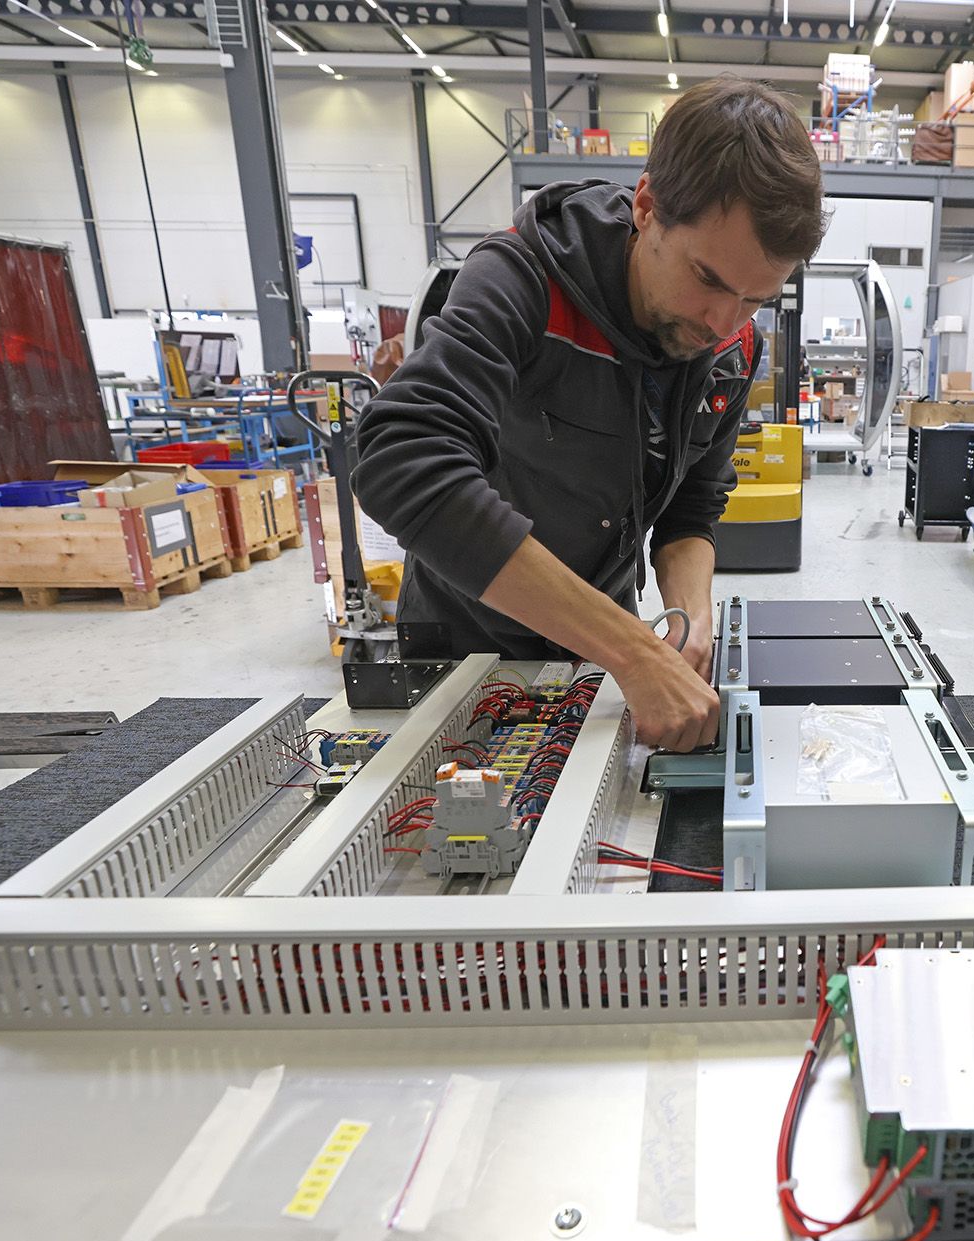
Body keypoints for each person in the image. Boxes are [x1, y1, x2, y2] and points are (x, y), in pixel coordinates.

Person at [353, 78, 828, 753]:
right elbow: (403, 462)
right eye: (710, 281)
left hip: (596, 656)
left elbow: (693, 507)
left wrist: (688, 624)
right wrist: (633, 653)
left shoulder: (732, 344)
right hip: (464, 656)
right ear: (647, 207)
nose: (724, 322)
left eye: (754, 298)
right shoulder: (524, 280)